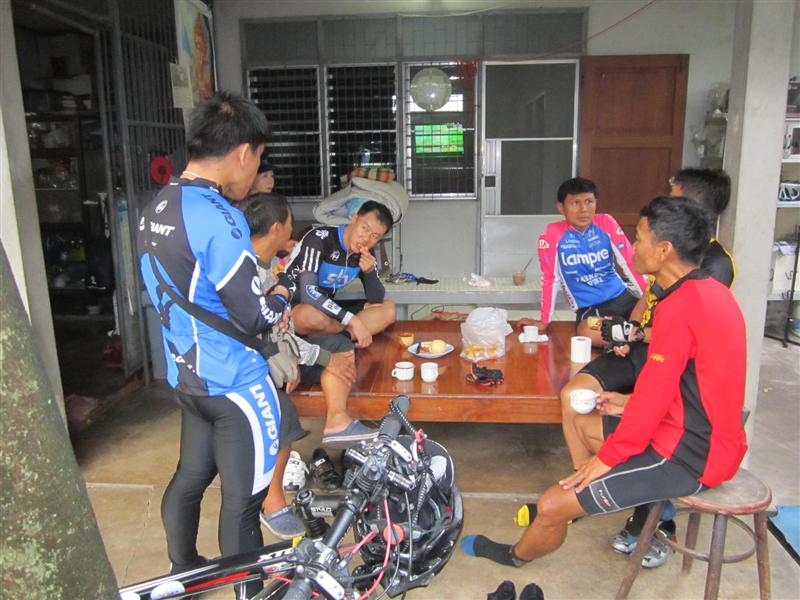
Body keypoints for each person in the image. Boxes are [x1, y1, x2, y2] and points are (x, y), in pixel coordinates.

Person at [461, 196, 747, 575]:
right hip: (696, 432)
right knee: (582, 422)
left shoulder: (681, 309)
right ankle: (613, 495)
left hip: (692, 455)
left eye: (640, 238)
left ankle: (518, 554)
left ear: (664, 250)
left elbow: (656, 396)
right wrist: (626, 403)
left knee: (551, 505)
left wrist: (607, 459)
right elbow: (693, 383)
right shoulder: (706, 292)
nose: (632, 246)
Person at [138, 91, 288, 598]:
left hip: (189, 379)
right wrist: (282, 296)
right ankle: (250, 593)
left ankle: (184, 572)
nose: (256, 172)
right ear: (243, 152)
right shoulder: (220, 217)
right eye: (259, 159)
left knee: (189, 479)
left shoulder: (158, 205)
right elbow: (253, 315)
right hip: (236, 385)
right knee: (243, 505)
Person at [556, 168, 735, 565]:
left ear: (693, 207)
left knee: (647, 432)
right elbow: (646, 301)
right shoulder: (665, 259)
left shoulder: (710, 267)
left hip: (673, 370)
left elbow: (683, 341)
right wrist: (628, 332)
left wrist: (635, 338)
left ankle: (656, 522)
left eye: (673, 197)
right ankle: (582, 487)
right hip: (642, 352)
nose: (662, 203)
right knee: (573, 396)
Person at [243, 193, 376, 537]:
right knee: (283, 415)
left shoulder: (270, 267)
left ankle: (337, 421)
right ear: (277, 228)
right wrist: (309, 357)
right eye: (290, 223)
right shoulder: (248, 272)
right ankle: (272, 503)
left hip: (283, 349)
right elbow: (261, 334)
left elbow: (280, 328)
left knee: (341, 348)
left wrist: (308, 356)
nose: (294, 232)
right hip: (255, 362)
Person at [520, 177, 645, 347]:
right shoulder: (552, 234)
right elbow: (550, 279)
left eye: (589, 201)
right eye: (575, 203)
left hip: (622, 298)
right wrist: (544, 320)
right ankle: (631, 338)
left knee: (657, 317)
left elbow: (629, 262)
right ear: (561, 208)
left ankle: (623, 340)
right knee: (586, 333)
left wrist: (649, 298)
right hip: (590, 309)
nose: (583, 209)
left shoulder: (606, 222)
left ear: (596, 202)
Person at [286, 200, 397, 348]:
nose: (366, 238)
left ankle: (340, 339)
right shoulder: (319, 238)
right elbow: (308, 294)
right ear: (355, 219)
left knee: (388, 309)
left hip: (329, 310)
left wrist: (370, 272)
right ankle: (344, 335)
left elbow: (376, 299)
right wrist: (353, 320)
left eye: (375, 236)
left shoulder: (365, 253)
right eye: (364, 228)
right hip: (297, 307)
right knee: (308, 316)